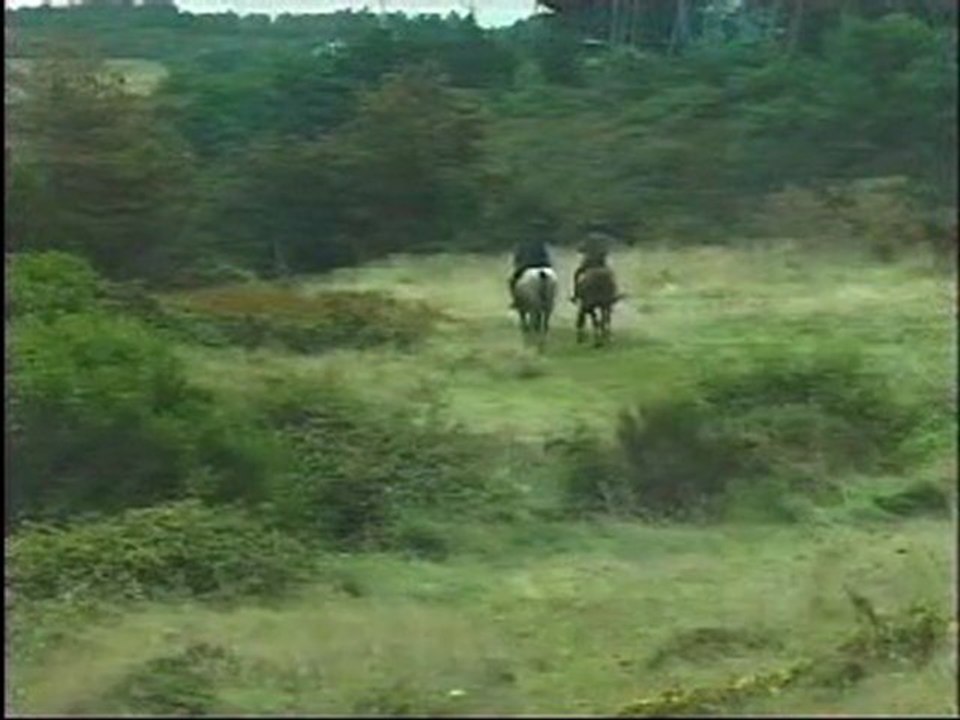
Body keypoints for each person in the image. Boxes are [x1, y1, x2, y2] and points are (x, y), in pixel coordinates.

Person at [509, 220, 553, 308]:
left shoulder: (522, 242)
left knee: (512, 281)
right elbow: (546, 255)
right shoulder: (541, 241)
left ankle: (516, 301)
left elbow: (518, 257)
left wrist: (518, 264)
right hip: (543, 265)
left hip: (526, 266)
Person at [571, 229, 611, 302]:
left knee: (576, 275)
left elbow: (580, 249)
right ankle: (612, 294)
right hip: (601, 263)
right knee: (611, 276)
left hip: (589, 264)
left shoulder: (589, 238)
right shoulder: (604, 239)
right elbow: (606, 251)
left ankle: (576, 295)